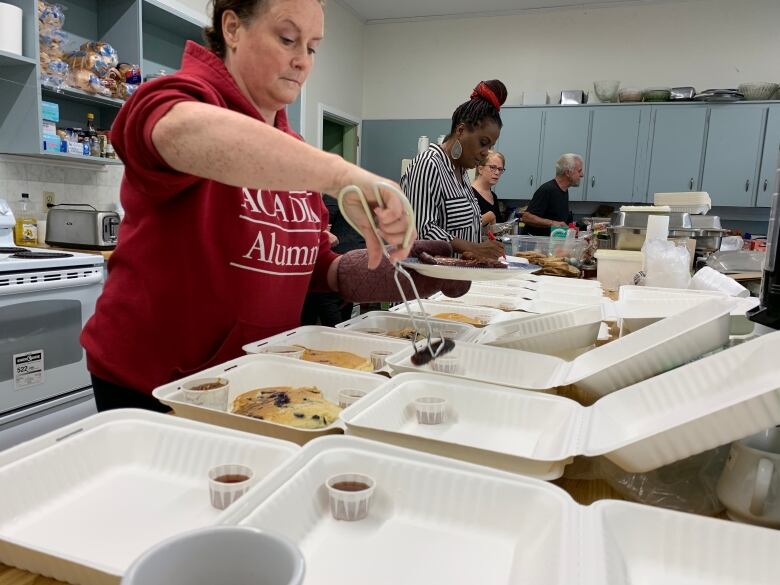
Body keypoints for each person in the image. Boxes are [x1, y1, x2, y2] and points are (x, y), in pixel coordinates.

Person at [80, 0, 469, 412]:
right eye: (287, 39)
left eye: (313, 47)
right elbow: (177, 131)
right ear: (232, 28)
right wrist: (342, 176)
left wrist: (417, 270)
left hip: (253, 379)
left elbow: (318, 269)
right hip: (156, 383)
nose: (302, 61)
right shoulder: (177, 98)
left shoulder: (293, 152)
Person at [401, 80, 507, 260]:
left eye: (490, 146)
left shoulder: (462, 173)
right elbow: (421, 232)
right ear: (461, 130)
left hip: (458, 279)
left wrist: (482, 247)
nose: (485, 153)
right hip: (433, 282)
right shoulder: (429, 164)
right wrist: (474, 248)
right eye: (483, 143)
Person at [522, 153, 582, 236]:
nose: (582, 175)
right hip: (535, 245)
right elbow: (526, 217)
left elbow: (558, 220)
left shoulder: (564, 190)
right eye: (579, 171)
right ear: (568, 173)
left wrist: (570, 229)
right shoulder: (547, 189)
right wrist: (552, 223)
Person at [471, 149, 507, 226]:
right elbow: (467, 226)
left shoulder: (493, 196)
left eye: (500, 169)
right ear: (480, 169)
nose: (497, 172)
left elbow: (497, 225)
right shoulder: (469, 194)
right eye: (493, 167)